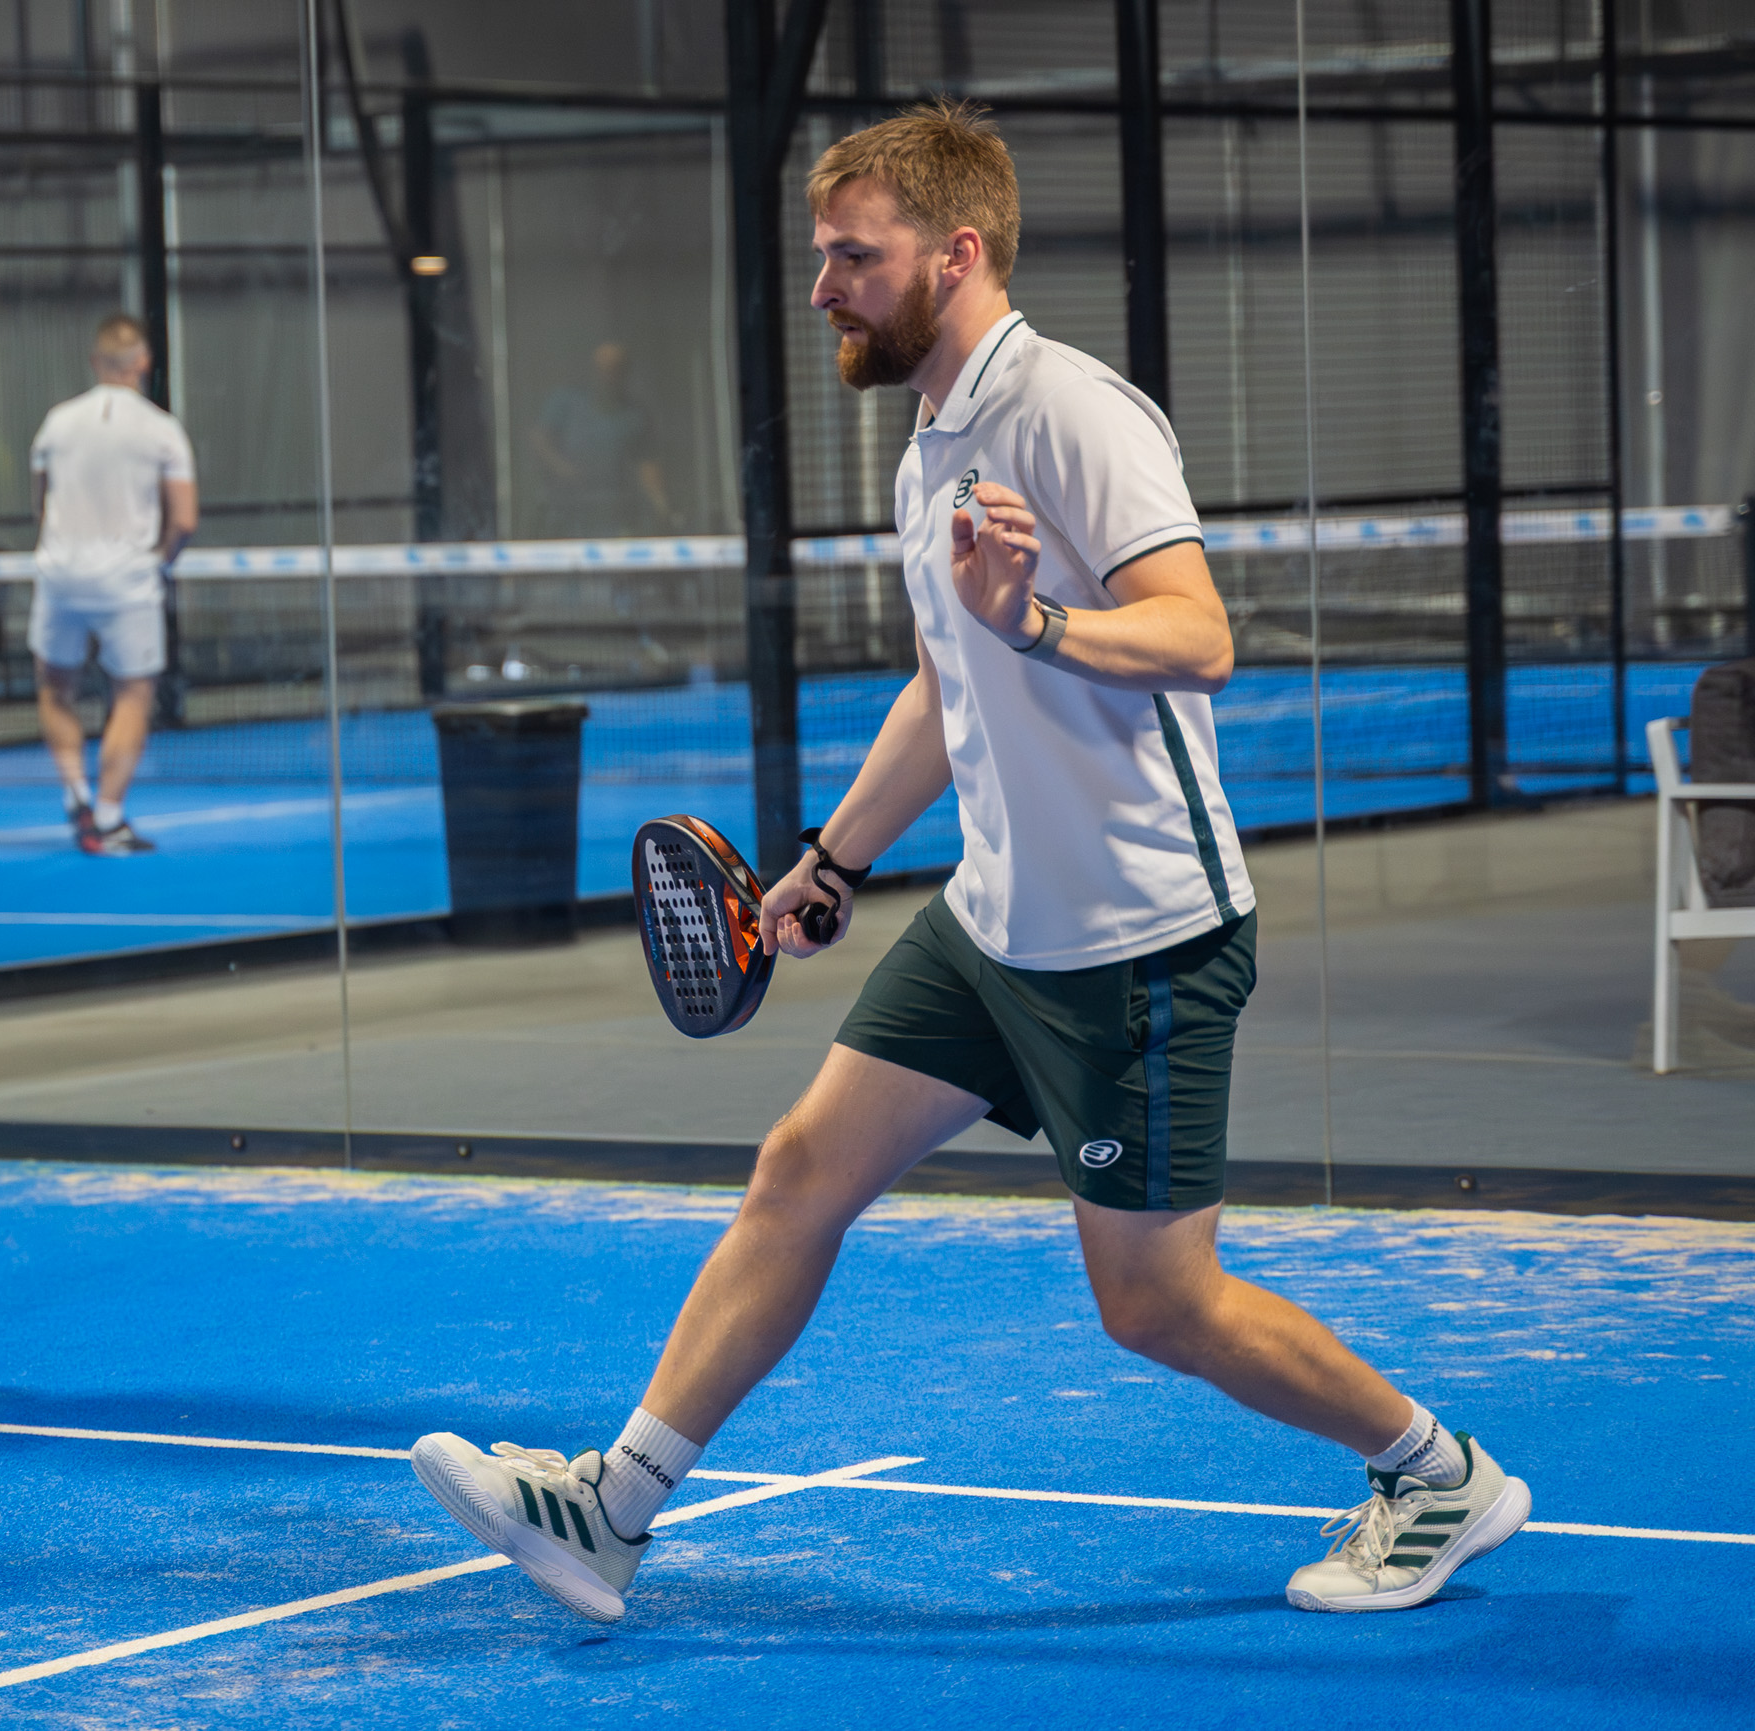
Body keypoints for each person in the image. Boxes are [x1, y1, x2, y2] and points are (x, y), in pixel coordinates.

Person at [410, 100, 1530, 1622]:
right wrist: (830, 858)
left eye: (852, 259)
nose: (825, 289)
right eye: (821, 258)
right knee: (799, 1170)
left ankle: (1439, 1474)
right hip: (993, 923)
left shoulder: (1071, 411)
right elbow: (948, 687)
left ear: (956, 252)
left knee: (1156, 1304)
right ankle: (612, 1507)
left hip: (1136, 941)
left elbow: (1200, 636)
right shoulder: (929, 448)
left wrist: (1038, 620)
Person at [27, 312, 198, 855]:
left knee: (55, 688)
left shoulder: (55, 423)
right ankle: (107, 816)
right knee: (132, 695)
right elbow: (185, 520)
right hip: (128, 581)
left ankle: (77, 793)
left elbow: (40, 502)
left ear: (95, 361)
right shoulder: (162, 429)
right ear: (143, 362)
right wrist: (160, 561)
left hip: (60, 576)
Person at [529, 341, 673, 536]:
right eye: (601, 368)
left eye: (614, 369)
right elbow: (540, 440)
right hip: (565, 510)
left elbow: (647, 464)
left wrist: (661, 506)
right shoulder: (565, 402)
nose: (607, 374)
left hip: (613, 512)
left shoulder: (635, 416)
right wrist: (563, 469)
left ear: (625, 373)